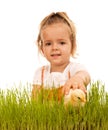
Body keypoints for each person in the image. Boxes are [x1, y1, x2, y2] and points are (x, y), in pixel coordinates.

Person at [32, 12, 91, 103]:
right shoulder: (40, 73)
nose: (54, 48)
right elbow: (35, 100)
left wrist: (77, 78)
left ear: (73, 45)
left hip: (71, 115)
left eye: (62, 43)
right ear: (42, 48)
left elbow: (85, 75)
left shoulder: (74, 68)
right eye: (48, 44)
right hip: (48, 116)